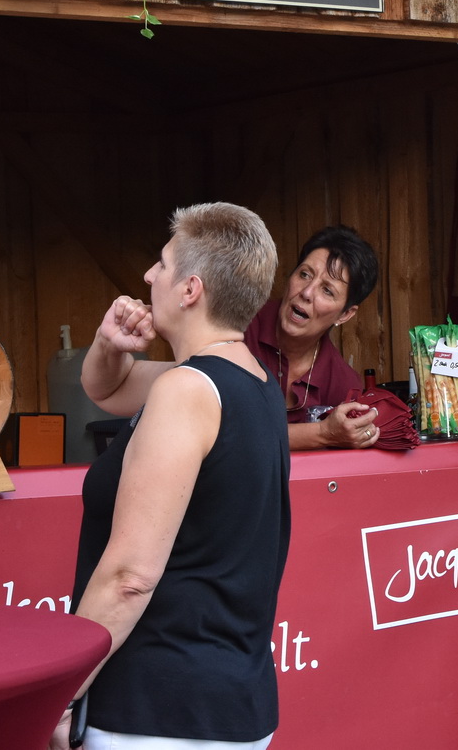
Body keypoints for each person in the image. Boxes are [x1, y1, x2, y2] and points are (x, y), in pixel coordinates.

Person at [59, 203, 289, 750]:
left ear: (190, 289)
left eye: (161, 264)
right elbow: (108, 389)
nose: (148, 276)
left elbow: (130, 576)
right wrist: (109, 342)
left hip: (156, 710)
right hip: (230, 701)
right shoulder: (250, 380)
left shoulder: (186, 392)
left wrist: (63, 693)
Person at [244, 225, 382, 451]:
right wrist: (323, 433)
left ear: (345, 314)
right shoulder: (237, 329)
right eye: (305, 274)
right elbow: (218, 431)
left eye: (327, 290)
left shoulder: (343, 384)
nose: (307, 292)